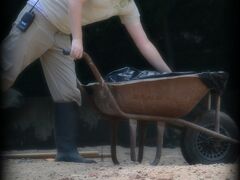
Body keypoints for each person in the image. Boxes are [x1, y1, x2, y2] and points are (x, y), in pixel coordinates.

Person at [0, 0, 172, 163]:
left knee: (68, 92)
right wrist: (77, 40)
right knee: (7, 71)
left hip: (62, 32)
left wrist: (170, 75)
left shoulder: (127, 5)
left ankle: (67, 152)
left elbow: (144, 44)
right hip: (41, 17)